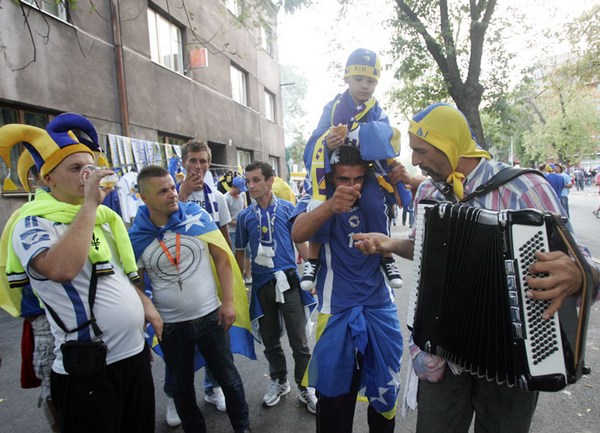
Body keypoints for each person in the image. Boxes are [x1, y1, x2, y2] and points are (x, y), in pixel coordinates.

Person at [353, 103, 600, 433]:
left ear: (449, 144)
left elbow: (583, 262)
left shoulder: (525, 188)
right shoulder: (428, 191)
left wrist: (578, 273)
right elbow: (424, 248)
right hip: (442, 349)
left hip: (512, 359)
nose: (414, 161)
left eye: (421, 150)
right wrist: (389, 243)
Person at [0, 113, 159, 433]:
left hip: (134, 356)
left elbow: (115, 273)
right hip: (88, 368)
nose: (87, 175)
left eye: (90, 166)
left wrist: (144, 301)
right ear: (48, 179)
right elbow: (61, 269)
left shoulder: (104, 218)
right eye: (75, 169)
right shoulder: (31, 221)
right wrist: (88, 205)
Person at [129, 165, 253, 433]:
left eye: (173, 187)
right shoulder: (136, 237)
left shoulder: (196, 217)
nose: (173, 194)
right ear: (144, 197)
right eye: (163, 191)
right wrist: (147, 309)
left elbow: (221, 257)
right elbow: (134, 281)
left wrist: (229, 301)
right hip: (172, 327)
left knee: (229, 380)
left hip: (211, 316)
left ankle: (243, 429)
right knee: (182, 387)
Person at [291, 145, 403, 433]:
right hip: (335, 309)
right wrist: (331, 206)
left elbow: (407, 197)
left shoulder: (376, 194)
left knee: (384, 396)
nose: (352, 186)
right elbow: (297, 233)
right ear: (330, 178)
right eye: (344, 179)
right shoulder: (318, 198)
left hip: (379, 306)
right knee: (334, 402)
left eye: (357, 179)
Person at [300, 48, 406, 292]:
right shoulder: (333, 107)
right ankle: (313, 260)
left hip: (365, 171)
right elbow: (316, 138)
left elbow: (387, 139)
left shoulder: (377, 110)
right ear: (346, 78)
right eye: (359, 79)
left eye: (371, 81)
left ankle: (386, 257)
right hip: (331, 171)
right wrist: (327, 143)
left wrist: (363, 135)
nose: (364, 86)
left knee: (374, 205)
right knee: (321, 204)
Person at [235, 161, 318, 413]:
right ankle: (279, 381)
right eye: (248, 181)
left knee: (299, 340)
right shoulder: (244, 217)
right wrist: (239, 283)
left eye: (256, 180)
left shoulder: (288, 209)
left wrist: (311, 273)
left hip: (290, 281)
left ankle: (305, 387)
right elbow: (240, 253)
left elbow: (300, 242)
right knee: (270, 341)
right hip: (262, 286)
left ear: (270, 181)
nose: (251, 186)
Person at [166, 140, 233, 421]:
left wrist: (232, 278)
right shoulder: (169, 193)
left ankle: (211, 387)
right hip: (176, 278)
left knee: (213, 337)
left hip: (208, 277)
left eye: (203, 161)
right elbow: (161, 231)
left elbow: (224, 238)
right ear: (183, 162)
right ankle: (173, 396)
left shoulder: (217, 197)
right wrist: (180, 194)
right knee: (177, 344)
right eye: (193, 160)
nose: (198, 167)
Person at [225, 176, 252, 283]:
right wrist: (239, 223)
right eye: (239, 189)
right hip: (232, 231)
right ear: (234, 187)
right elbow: (226, 219)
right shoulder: (225, 198)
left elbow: (244, 207)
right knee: (236, 253)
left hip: (243, 229)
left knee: (248, 252)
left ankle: (248, 275)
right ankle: (239, 277)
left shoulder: (242, 195)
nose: (240, 191)